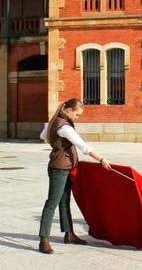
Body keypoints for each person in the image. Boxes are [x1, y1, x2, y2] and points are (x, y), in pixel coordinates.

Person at [38, 98, 112, 254]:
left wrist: (57, 145)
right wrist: (102, 159)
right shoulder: (64, 127)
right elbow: (83, 146)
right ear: (69, 110)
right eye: (77, 114)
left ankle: (69, 234)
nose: (77, 118)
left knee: (64, 201)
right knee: (52, 202)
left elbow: (43, 136)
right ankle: (43, 240)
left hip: (62, 166)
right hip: (59, 169)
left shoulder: (55, 121)